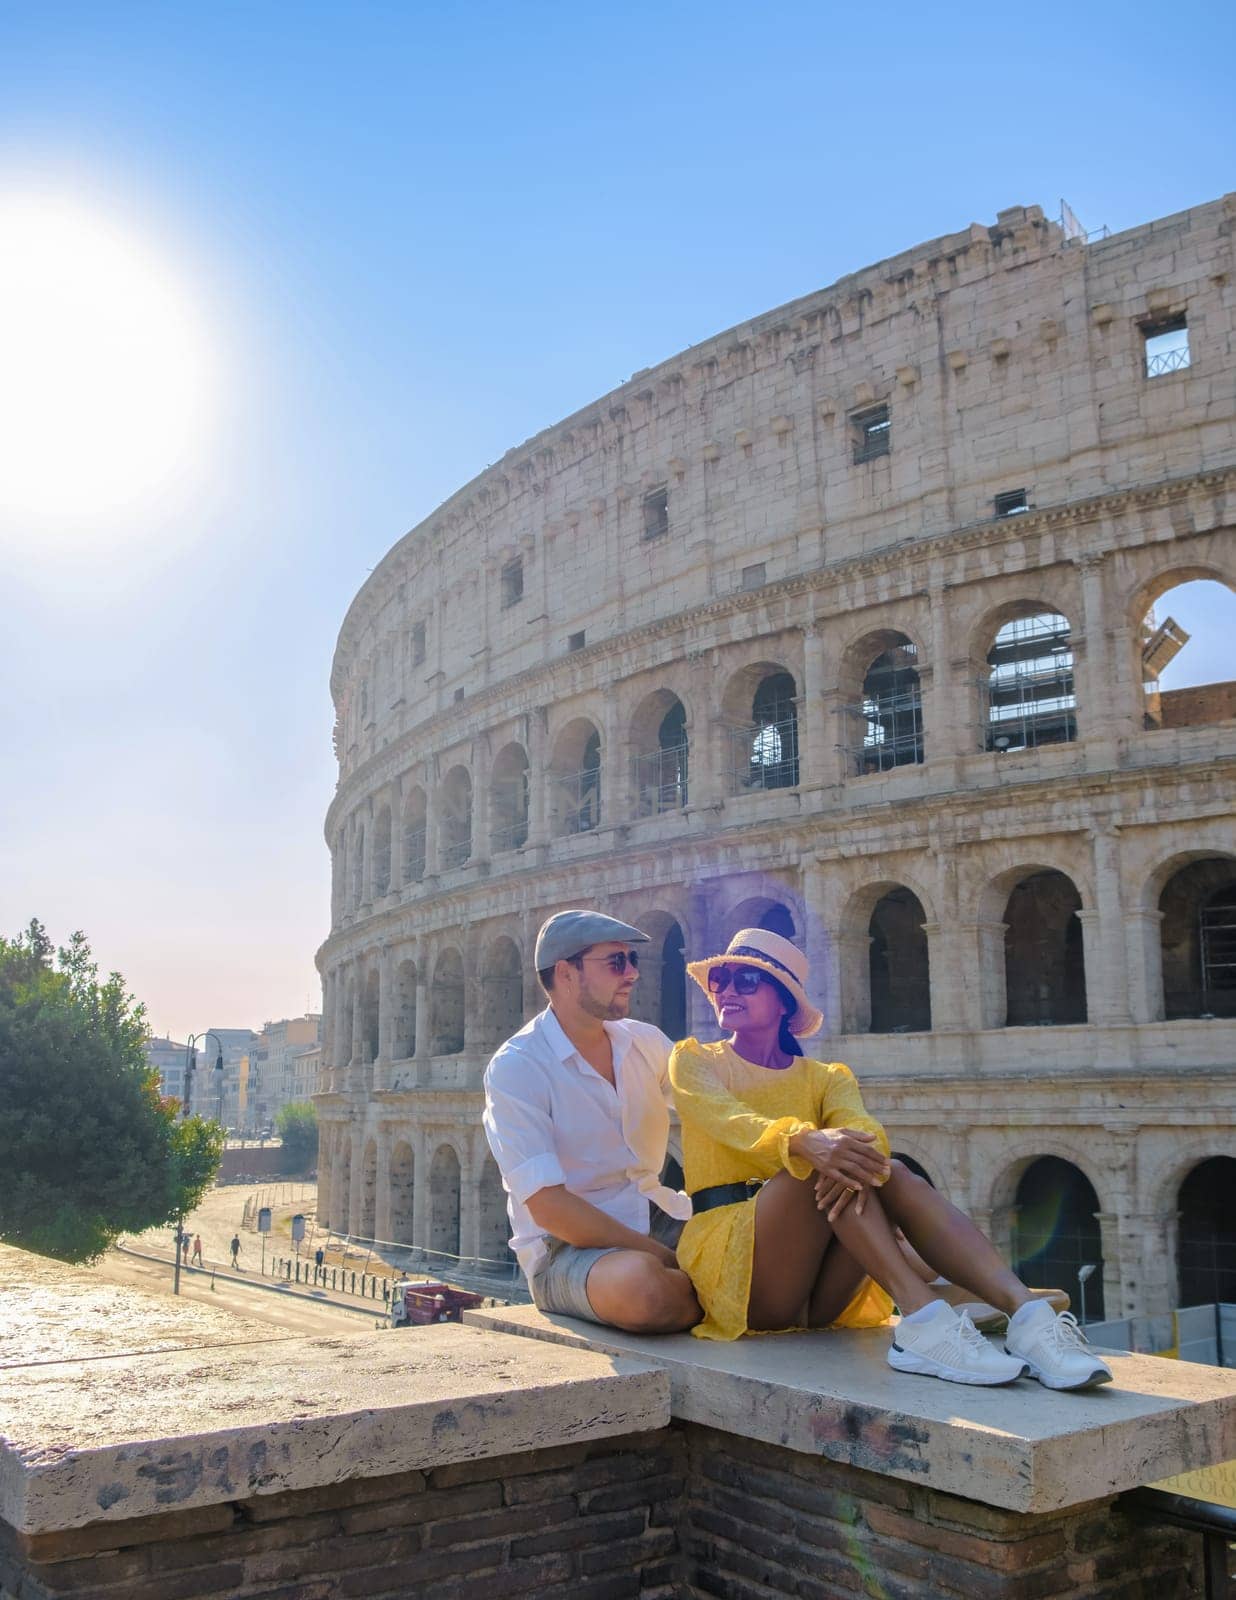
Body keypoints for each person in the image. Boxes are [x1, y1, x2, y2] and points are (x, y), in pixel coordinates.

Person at [669, 928, 1112, 1390]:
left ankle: (1028, 1317)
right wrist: (805, 1144)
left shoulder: (826, 1077)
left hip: (820, 1290)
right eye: (721, 979)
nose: (726, 990)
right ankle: (925, 1319)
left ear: (784, 1002)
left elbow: (867, 1132)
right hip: (737, 1272)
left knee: (888, 1169)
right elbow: (727, 1118)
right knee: (820, 1167)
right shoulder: (694, 1059)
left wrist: (839, 1149)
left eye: (746, 980)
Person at [483, 910, 700, 1334]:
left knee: (764, 1237)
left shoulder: (644, 1041)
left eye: (633, 961)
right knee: (642, 1290)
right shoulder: (518, 1067)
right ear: (566, 973)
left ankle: (706, 1292)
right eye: (616, 962)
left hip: (655, 1215)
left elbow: (709, 1106)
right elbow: (550, 1208)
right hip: (565, 1251)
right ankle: (718, 1296)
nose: (633, 974)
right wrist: (666, 1257)